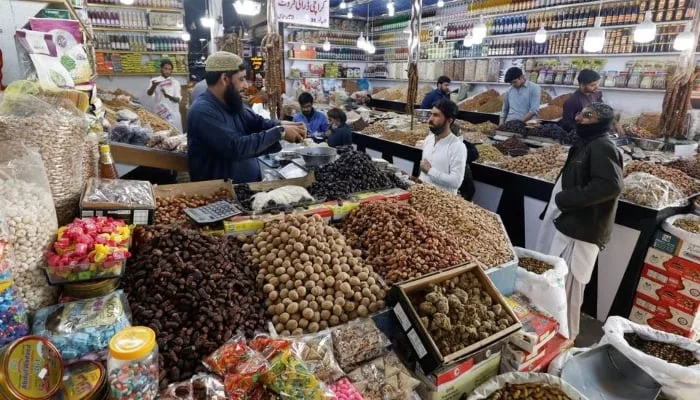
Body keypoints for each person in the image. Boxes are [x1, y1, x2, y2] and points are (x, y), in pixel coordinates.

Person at [535, 102, 624, 340]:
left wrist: (566, 199)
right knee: (557, 287)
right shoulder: (586, 143)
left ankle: (566, 339)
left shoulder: (603, 146)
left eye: (588, 116)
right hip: (570, 224)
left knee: (569, 293)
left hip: (582, 230)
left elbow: (611, 185)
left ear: (602, 123)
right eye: (581, 113)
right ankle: (552, 337)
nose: (580, 118)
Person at [187, 51, 306, 183]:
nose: (246, 85)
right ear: (225, 79)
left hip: (244, 186)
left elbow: (257, 123)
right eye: (241, 79)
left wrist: (284, 124)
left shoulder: (231, 102)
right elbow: (235, 147)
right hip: (219, 194)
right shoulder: (202, 111)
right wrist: (280, 132)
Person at [419, 99, 467, 194]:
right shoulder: (429, 139)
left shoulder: (457, 146)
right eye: (431, 114)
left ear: (449, 120)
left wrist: (430, 171)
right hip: (421, 196)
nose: (430, 119)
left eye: (436, 115)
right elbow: (423, 170)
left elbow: (456, 182)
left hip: (441, 203)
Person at [560, 69, 623, 134]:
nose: (597, 87)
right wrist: (587, 131)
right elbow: (567, 124)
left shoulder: (596, 94)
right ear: (582, 85)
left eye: (597, 84)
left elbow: (604, 111)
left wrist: (615, 122)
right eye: (592, 85)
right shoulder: (573, 101)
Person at [148, 59, 183, 132]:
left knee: (176, 136)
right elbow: (149, 94)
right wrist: (154, 86)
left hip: (174, 114)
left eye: (169, 69)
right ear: (161, 68)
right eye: (165, 68)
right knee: (161, 136)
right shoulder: (155, 80)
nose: (167, 71)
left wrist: (167, 95)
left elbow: (178, 99)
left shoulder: (175, 82)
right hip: (160, 113)